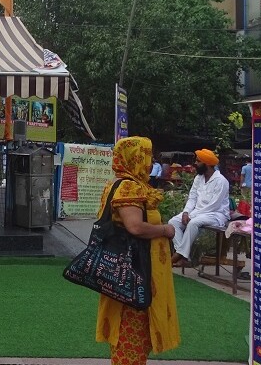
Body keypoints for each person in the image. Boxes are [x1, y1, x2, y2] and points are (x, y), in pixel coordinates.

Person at [95, 136, 180, 364]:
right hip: (135, 274)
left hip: (129, 272)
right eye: (147, 155)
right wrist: (165, 230)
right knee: (132, 334)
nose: (150, 161)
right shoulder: (128, 186)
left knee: (133, 336)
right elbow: (134, 226)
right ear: (135, 158)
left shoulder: (121, 184)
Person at [168, 149, 231, 268]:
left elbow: (214, 205)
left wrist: (191, 216)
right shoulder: (199, 178)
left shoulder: (221, 181)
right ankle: (184, 257)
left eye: (198, 161)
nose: (195, 163)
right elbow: (192, 198)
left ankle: (178, 255)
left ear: (206, 164)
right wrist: (186, 212)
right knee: (173, 222)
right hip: (197, 213)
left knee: (193, 223)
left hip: (216, 214)